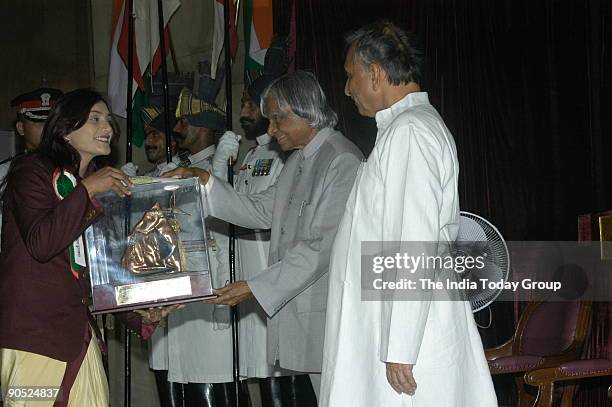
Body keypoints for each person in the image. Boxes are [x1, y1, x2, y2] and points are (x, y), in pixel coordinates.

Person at [319, 21, 497, 407]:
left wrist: (400, 344)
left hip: (406, 334)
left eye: (351, 76)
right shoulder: (406, 128)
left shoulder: (409, 132)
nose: (347, 89)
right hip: (395, 319)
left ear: (376, 73)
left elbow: (415, 238)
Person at [167, 70, 363, 403]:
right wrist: (206, 182)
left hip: (333, 313)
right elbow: (258, 210)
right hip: (304, 311)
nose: (270, 130)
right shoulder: (300, 159)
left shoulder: (340, 158)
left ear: (304, 111)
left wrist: (255, 286)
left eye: (277, 119)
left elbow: (321, 246)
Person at [0, 89, 132, 406]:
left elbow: (102, 270)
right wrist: (87, 189)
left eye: (110, 121)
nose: (109, 128)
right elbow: (42, 243)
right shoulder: (31, 171)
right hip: (35, 337)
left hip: (78, 336)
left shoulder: (93, 188)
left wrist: (143, 310)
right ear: (66, 129)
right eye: (95, 119)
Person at [141, 88, 243, 407]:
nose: (178, 128)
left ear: (204, 126)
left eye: (185, 122)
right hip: (181, 291)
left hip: (212, 291)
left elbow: (216, 209)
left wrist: (219, 167)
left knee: (211, 385)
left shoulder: (221, 168)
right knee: (184, 389)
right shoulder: (180, 167)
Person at [0, 87, 63, 248]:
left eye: (52, 123)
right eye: (40, 122)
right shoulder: (5, 173)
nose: (48, 129)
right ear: (21, 128)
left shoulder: (72, 169)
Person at [121, 106, 182, 177]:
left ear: (172, 142)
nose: (147, 141)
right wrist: (129, 180)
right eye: (146, 135)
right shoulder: (149, 175)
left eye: (155, 135)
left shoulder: (188, 171)